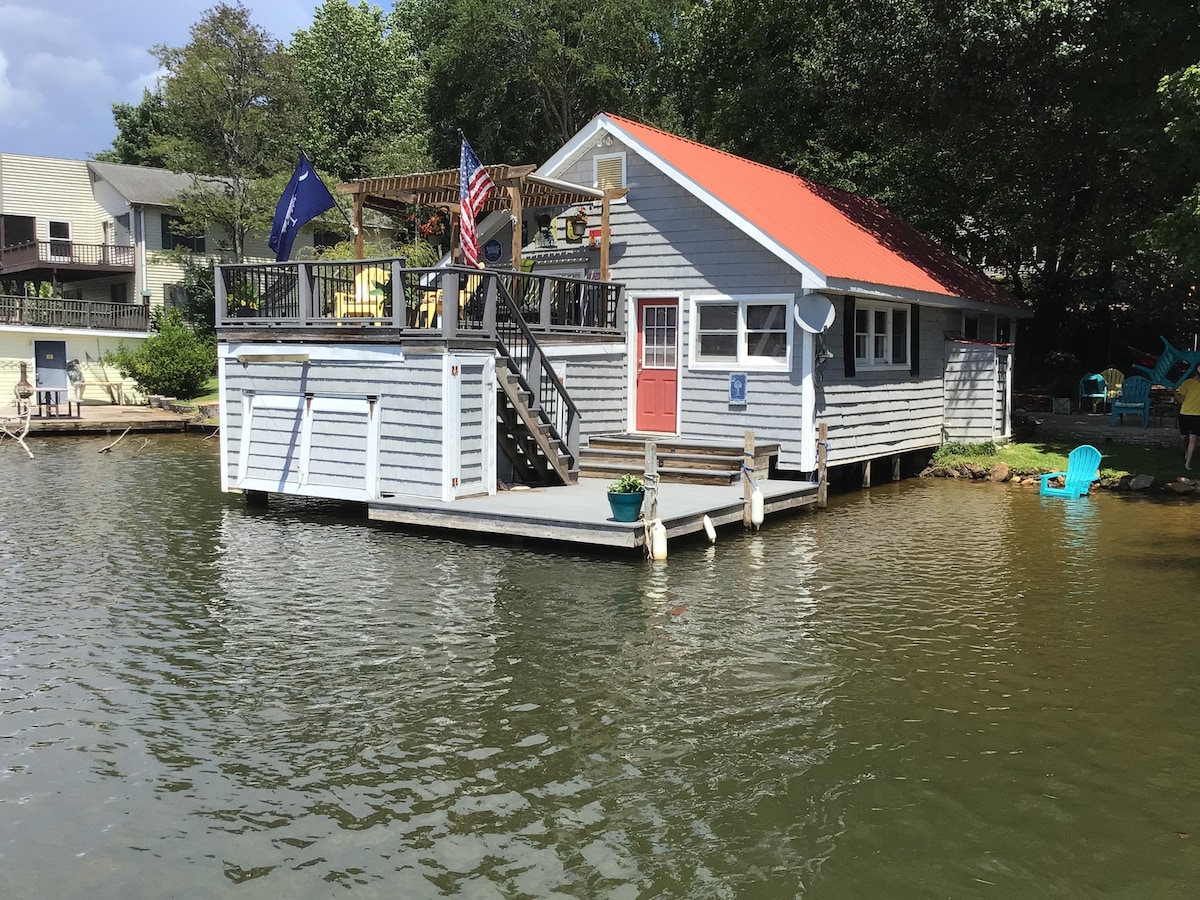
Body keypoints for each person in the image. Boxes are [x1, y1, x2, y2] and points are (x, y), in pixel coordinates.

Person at [1175, 363, 1200, 470]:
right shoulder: (1187, 383)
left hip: (1198, 415)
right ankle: (1186, 451)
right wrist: (1174, 393)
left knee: (1193, 438)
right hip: (1185, 413)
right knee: (1184, 437)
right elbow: (1181, 400)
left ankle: (1187, 463)